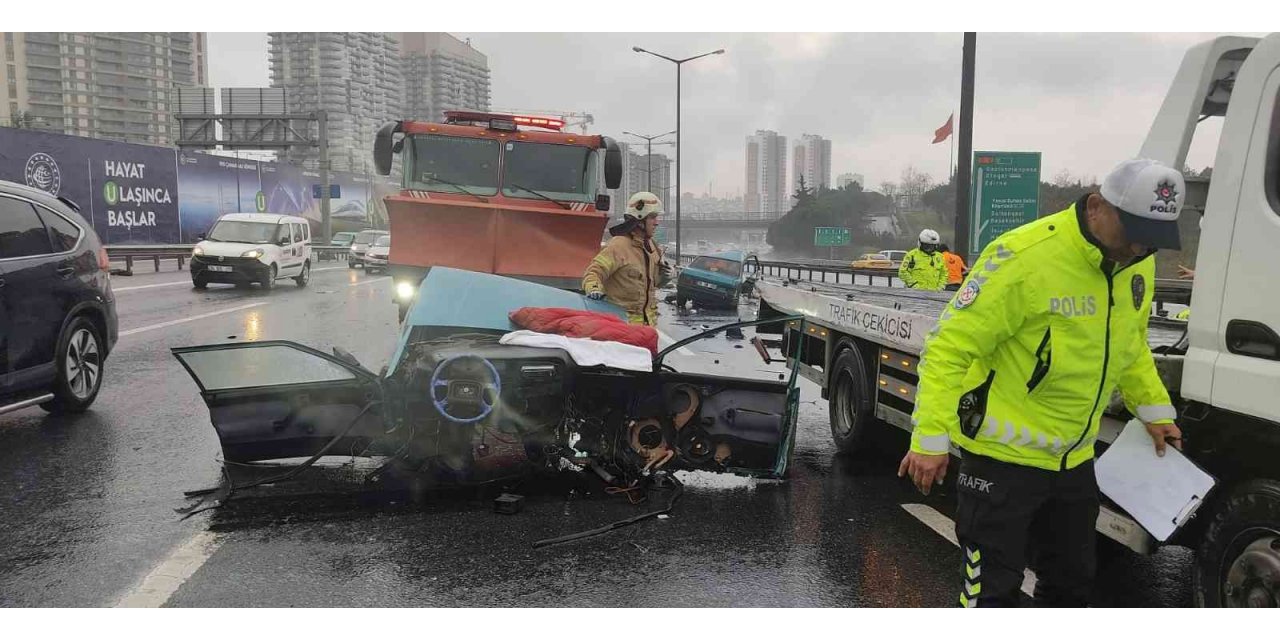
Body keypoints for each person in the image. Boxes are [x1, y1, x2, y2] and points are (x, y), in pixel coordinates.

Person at [898, 158, 1185, 607]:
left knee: (1071, 587)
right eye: (1131, 232)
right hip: (1002, 461)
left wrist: (1155, 411)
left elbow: (1129, 343)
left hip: (1073, 463)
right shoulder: (1024, 257)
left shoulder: (1135, 262)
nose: (1139, 247)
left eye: (1152, 239)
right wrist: (930, 438)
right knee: (991, 594)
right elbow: (949, 348)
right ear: (1096, 206)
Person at [582, 191, 671, 326]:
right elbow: (594, 272)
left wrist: (664, 277)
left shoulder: (652, 247)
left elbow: (652, 285)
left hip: (648, 331)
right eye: (652, 217)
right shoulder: (618, 246)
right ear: (639, 220)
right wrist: (594, 288)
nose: (656, 223)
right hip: (622, 330)